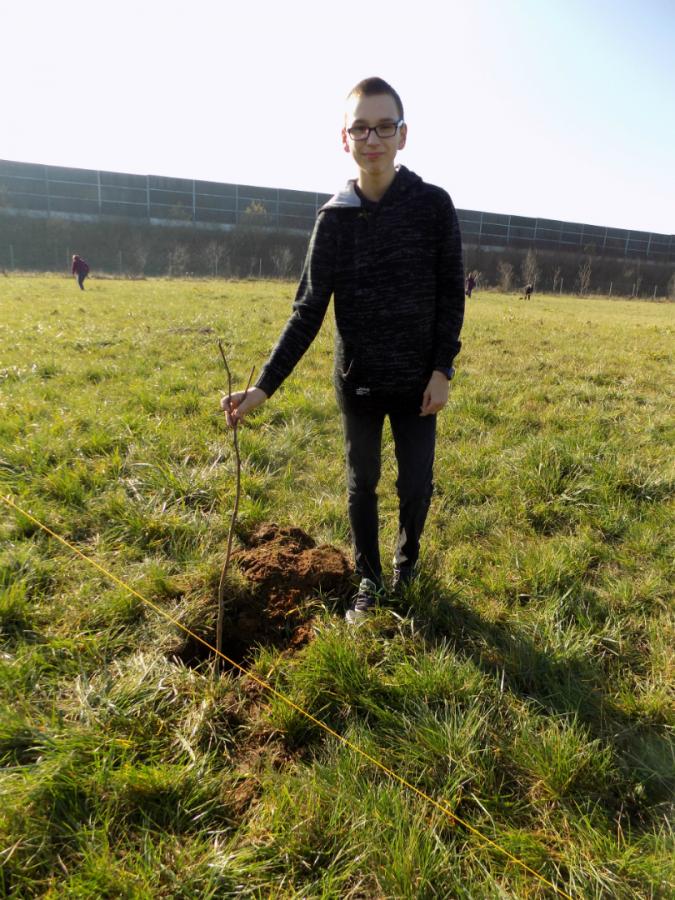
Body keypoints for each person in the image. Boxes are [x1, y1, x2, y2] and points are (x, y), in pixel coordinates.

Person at [221, 77, 465, 622]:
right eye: (361, 128)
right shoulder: (332, 220)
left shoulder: (433, 207)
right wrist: (263, 387)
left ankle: (406, 567)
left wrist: (442, 368)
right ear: (345, 138)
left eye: (384, 127)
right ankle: (369, 580)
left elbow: (452, 295)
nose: (372, 138)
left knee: (416, 484)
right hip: (359, 383)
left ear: (403, 136)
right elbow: (307, 311)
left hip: (419, 384)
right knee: (362, 485)